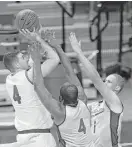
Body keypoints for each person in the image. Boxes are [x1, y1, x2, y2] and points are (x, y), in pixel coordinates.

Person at [31, 33, 96, 147]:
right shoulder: (83, 101)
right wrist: (57, 46)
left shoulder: (60, 112)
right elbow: (69, 71)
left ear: (60, 99)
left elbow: (38, 86)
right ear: (77, 95)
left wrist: (36, 60)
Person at [3, 29, 59, 147]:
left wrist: (33, 58)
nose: (27, 59)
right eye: (24, 58)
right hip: (40, 138)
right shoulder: (29, 75)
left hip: (22, 137)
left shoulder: (9, 80)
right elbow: (54, 59)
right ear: (17, 64)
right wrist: (38, 39)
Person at [69, 32, 125, 147]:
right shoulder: (95, 105)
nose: (105, 82)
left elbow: (96, 79)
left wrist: (79, 53)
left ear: (117, 88)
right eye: (105, 80)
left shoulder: (115, 103)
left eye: (109, 81)